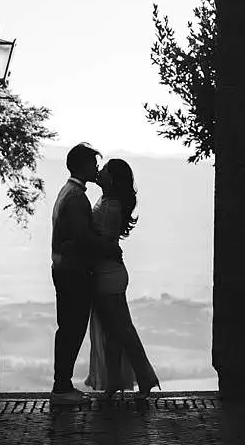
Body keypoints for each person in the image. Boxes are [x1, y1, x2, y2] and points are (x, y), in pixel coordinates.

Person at [50, 143, 123, 405]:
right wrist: (109, 249)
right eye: (93, 163)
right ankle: (62, 387)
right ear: (82, 165)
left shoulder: (67, 192)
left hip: (63, 269)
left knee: (67, 327)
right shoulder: (77, 197)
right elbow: (83, 238)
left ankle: (62, 384)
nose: (96, 168)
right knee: (72, 328)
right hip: (73, 273)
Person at [82, 158, 161, 399]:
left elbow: (102, 242)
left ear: (112, 178)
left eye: (105, 169)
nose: (100, 171)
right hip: (109, 273)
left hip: (109, 275)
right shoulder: (107, 201)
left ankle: (143, 377)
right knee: (114, 330)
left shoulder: (110, 206)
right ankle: (114, 382)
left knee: (122, 329)